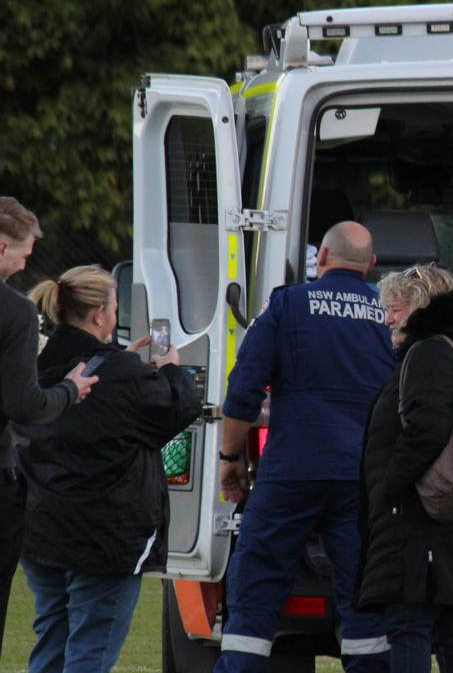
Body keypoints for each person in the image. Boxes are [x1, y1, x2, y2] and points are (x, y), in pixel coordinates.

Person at [215, 221, 395, 672]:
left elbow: (243, 391)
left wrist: (230, 459)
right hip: (363, 479)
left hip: (291, 472)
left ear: (322, 259)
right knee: (364, 596)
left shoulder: (288, 303)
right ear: (371, 266)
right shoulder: (389, 315)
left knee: (256, 583)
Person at [16, 264, 200, 672]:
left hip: (43, 527)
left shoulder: (36, 366)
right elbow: (177, 407)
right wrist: (171, 367)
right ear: (100, 314)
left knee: (52, 638)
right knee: (92, 649)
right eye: (115, 308)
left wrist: (123, 360)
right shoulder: (121, 374)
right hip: (106, 536)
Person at [356, 265, 453, 672]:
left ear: (419, 306)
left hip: (423, 523)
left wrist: (387, 491)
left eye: (395, 308)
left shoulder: (429, 352)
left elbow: (426, 431)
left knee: (409, 625)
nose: (387, 318)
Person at [0, 197, 96, 659]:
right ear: (2, 248)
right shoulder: (14, 312)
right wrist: (71, 390)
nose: (27, 262)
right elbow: (24, 404)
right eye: (24, 251)